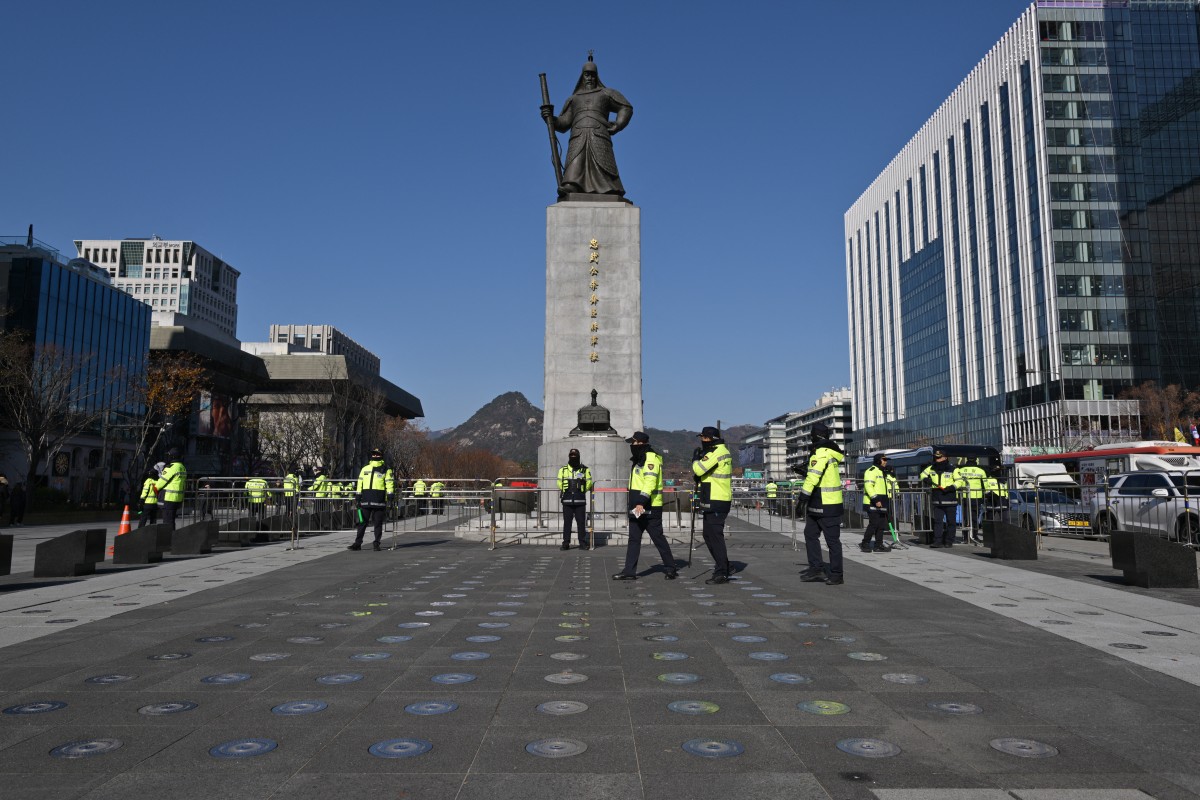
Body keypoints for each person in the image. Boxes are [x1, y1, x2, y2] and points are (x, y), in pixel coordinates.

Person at [541, 55, 633, 198]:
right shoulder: (574, 99)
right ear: (582, 77)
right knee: (575, 162)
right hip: (578, 135)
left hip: (599, 133)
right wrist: (550, 118)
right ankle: (572, 185)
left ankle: (609, 188)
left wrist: (619, 124)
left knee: (603, 164)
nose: (589, 78)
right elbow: (564, 123)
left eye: (592, 75)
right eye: (586, 75)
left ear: (596, 76)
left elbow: (625, 107)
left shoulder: (606, 93)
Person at [612, 431, 678, 581]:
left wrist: (641, 501)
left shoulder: (650, 459)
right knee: (633, 539)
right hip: (637, 507)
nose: (632, 445)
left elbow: (650, 482)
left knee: (658, 538)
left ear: (640, 443)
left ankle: (670, 568)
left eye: (633, 443)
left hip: (650, 506)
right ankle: (629, 571)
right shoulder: (638, 459)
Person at [796, 422, 847, 585]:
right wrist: (805, 471)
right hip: (821, 501)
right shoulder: (830, 452)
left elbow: (814, 477)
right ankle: (816, 567)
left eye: (811, 435)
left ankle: (837, 574)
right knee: (810, 534)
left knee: (832, 540)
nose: (810, 438)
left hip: (826, 503)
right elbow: (821, 474)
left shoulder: (821, 452)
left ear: (815, 436)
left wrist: (802, 498)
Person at [692, 426, 734, 584]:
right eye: (701, 438)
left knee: (715, 536)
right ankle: (724, 565)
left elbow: (699, 469)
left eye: (705, 438)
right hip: (712, 497)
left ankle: (722, 571)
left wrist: (695, 459)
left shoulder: (718, 452)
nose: (702, 441)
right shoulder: (716, 451)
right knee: (708, 535)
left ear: (712, 439)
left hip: (718, 499)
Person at [349, 448, 390, 551]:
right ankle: (357, 544)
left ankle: (376, 543)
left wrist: (390, 494)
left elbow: (389, 483)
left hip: (379, 501)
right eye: (374, 454)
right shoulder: (365, 468)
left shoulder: (386, 469)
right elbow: (360, 483)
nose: (375, 456)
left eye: (377, 454)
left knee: (378, 523)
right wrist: (358, 496)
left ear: (381, 455)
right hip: (365, 500)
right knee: (362, 523)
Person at [920, 450, 962, 548]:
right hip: (937, 499)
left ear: (945, 458)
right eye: (936, 457)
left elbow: (960, 481)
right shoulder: (931, 468)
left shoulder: (953, 469)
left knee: (951, 522)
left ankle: (949, 541)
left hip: (949, 498)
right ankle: (937, 541)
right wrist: (926, 479)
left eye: (939, 457)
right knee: (938, 522)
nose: (937, 459)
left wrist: (952, 487)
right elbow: (922, 475)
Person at [859, 453, 899, 552]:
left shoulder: (883, 472)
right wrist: (876, 500)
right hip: (873, 501)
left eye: (886, 460)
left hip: (883, 501)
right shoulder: (871, 471)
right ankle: (865, 543)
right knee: (874, 524)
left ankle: (878, 545)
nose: (886, 461)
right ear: (878, 460)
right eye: (884, 460)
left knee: (881, 524)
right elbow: (869, 486)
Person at [557, 448, 593, 550]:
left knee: (581, 522)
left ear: (578, 456)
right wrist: (566, 490)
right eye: (571, 455)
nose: (573, 457)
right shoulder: (562, 470)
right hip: (567, 500)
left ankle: (582, 542)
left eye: (575, 455)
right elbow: (559, 483)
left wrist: (582, 491)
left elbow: (589, 482)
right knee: (567, 522)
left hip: (580, 500)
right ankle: (566, 543)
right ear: (569, 456)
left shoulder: (585, 470)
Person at [954, 456, 989, 543]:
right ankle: (975, 535)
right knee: (975, 518)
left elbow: (958, 483)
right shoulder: (981, 471)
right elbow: (986, 485)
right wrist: (987, 494)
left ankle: (966, 537)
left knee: (966, 518)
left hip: (964, 497)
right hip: (977, 497)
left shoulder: (961, 470)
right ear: (976, 460)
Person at [154, 448, 187, 531]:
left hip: (169, 498)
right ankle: (172, 537)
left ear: (172, 456)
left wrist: (155, 488)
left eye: (169, 456)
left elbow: (161, 481)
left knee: (167, 521)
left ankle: (169, 540)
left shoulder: (171, 467)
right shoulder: (182, 467)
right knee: (171, 520)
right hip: (177, 498)